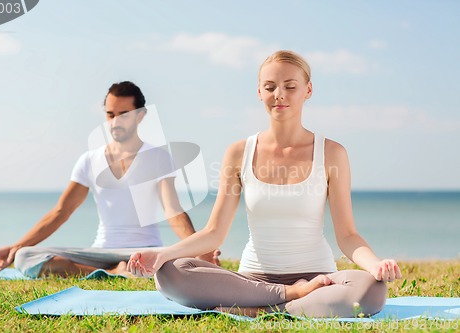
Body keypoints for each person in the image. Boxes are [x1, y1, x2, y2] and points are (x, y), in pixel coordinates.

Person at [126, 51, 403, 318]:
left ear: (308, 90)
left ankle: (266, 309)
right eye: (270, 87)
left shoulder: (332, 153)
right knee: (170, 272)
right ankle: (290, 297)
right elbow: (213, 232)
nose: (279, 94)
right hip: (253, 282)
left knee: (371, 289)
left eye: (290, 86)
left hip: (319, 280)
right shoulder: (238, 153)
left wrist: (375, 264)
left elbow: (348, 236)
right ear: (259, 92)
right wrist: (162, 254)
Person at [0, 81, 220, 278]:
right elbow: (61, 212)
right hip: (99, 251)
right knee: (25, 256)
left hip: (146, 250)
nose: (115, 121)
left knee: (177, 263)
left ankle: (123, 269)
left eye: (123, 115)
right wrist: (16, 247)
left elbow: (173, 211)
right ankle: (115, 272)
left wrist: (199, 247)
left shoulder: (158, 158)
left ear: (141, 116)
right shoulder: (89, 160)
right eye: (110, 114)